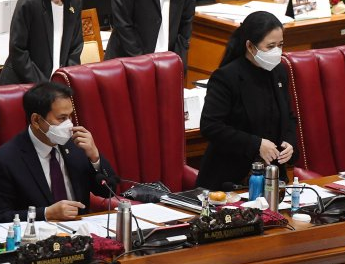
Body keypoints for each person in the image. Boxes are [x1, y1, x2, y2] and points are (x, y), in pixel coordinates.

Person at [0, 82, 116, 225]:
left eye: (70, 117)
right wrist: (46, 213)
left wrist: (95, 157)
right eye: (61, 118)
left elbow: (108, 193)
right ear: (36, 120)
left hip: (82, 234)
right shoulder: (5, 161)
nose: (69, 125)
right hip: (37, 240)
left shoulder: (76, 145)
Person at [196, 11, 297, 190]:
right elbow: (211, 126)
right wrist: (256, 144)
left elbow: (288, 116)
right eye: (270, 46)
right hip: (229, 179)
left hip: (272, 178)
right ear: (250, 46)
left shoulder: (279, 72)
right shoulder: (226, 77)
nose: (277, 52)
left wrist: (289, 142)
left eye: (280, 45)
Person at [0, 0, 83, 85]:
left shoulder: (75, 3)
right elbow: (17, 49)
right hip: (23, 85)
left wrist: (66, 80)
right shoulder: (28, 2)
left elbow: (75, 47)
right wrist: (46, 86)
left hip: (57, 91)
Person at [105, 0, 195, 69]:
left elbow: (185, 24)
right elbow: (123, 24)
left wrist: (177, 62)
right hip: (127, 64)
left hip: (167, 67)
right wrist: (143, 64)